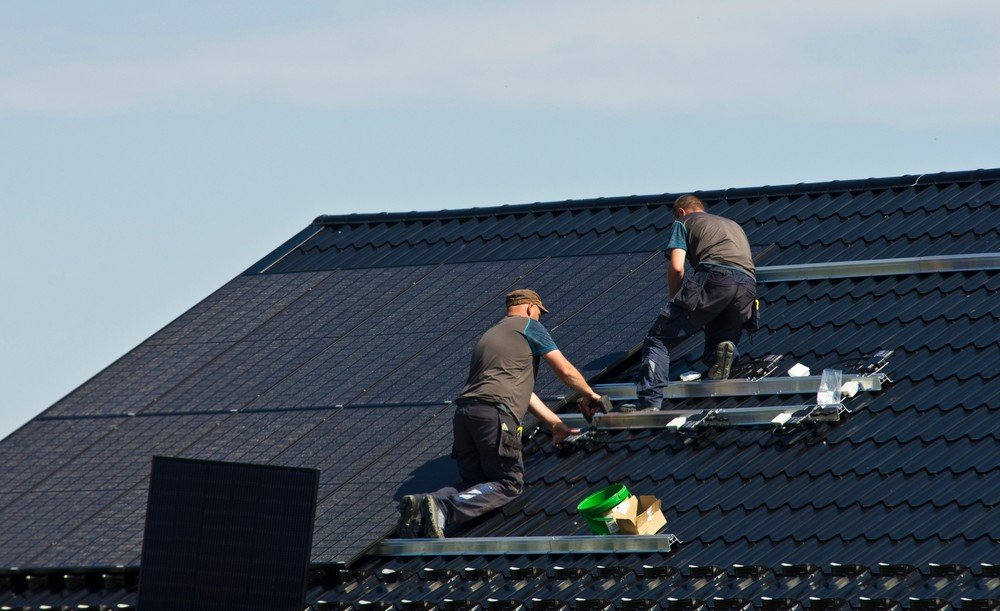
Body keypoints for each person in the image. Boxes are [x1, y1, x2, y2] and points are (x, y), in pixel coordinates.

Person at [397, 289, 603, 538]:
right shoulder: (529, 326)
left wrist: (555, 423)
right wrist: (590, 395)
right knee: (509, 483)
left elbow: (521, 391)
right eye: (539, 312)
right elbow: (566, 370)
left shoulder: (491, 335)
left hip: (466, 415)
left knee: (477, 484)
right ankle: (444, 507)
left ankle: (423, 503)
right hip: (494, 414)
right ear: (529, 308)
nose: (539, 318)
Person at [632, 194, 757, 411]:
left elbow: (677, 266)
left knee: (658, 339)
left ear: (680, 212)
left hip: (715, 277)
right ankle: (727, 350)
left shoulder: (682, 223)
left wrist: (675, 300)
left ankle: (649, 401)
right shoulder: (732, 224)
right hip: (747, 286)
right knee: (720, 344)